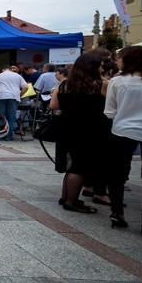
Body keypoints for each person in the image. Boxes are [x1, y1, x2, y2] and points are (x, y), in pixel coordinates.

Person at [104, 46, 142, 237]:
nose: (117, 61)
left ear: (128, 60)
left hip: (123, 130)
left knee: (117, 174)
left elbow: (110, 111)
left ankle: (117, 212)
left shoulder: (118, 81)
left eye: (119, 58)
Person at [49, 52, 109, 214]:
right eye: (100, 65)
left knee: (72, 164)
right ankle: (71, 201)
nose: (102, 68)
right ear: (93, 67)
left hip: (67, 127)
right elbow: (112, 106)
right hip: (90, 128)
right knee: (80, 166)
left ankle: (66, 196)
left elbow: (54, 105)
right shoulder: (100, 85)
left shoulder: (65, 84)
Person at [0, 66, 27, 141]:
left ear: (3, 70)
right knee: (11, 118)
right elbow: (25, 87)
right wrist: (20, 95)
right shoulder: (17, 76)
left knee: (0, 116)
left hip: (0, 97)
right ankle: (8, 136)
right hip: (13, 97)